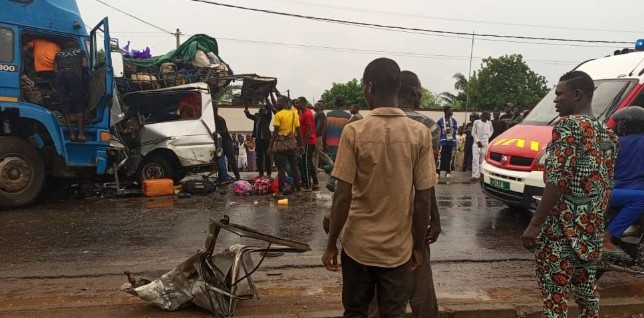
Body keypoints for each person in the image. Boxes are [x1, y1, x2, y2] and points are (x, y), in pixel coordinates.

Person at [322, 58, 434, 317]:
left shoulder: (354, 132)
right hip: (398, 250)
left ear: (369, 88)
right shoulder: (419, 134)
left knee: (355, 311)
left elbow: (342, 196)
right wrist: (417, 246)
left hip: (357, 247)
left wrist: (331, 246)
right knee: (393, 311)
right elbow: (423, 199)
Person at [521, 71, 618, 318]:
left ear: (577, 94)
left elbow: (557, 180)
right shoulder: (608, 134)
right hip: (590, 232)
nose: (555, 100)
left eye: (559, 95)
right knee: (587, 296)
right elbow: (605, 184)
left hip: (560, 231)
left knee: (555, 299)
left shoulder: (568, 126)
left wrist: (534, 224)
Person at [602, 106, 644, 258]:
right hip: (622, 195)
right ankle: (606, 238)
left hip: (610, 193)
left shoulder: (613, 142)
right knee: (641, 200)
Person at [54, 41, 87, 141]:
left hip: (60, 75)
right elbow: (84, 65)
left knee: (64, 102)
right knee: (79, 101)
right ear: (75, 46)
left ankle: (72, 134)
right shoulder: (80, 51)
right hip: (73, 74)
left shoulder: (58, 54)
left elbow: (55, 70)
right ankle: (81, 134)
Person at [270, 95, 303, 197]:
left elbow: (275, 133)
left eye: (279, 101)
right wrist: (301, 144)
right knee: (295, 167)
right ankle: (299, 190)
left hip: (281, 146)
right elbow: (299, 131)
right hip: (292, 144)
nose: (277, 103)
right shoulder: (294, 115)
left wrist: (270, 146)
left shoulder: (278, 115)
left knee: (281, 169)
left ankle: (280, 191)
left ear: (285, 103)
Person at [325, 97, 351, 192]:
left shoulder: (328, 114)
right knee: (339, 164)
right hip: (341, 143)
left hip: (329, 142)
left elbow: (325, 130)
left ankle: (332, 180)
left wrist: (324, 144)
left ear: (335, 104)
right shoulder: (347, 116)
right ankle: (331, 181)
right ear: (344, 105)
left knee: (333, 163)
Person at [245, 102, 275, 177]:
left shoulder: (268, 117)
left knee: (267, 156)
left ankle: (268, 173)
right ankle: (261, 172)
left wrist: (265, 101)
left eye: (263, 110)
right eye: (260, 110)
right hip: (258, 140)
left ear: (265, 111)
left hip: (266, 139)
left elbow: (269, 109)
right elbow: (248, 115)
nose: (261, 111)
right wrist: (246, 108)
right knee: (259, 157)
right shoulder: (256, 117)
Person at [296, 97, 319, 191]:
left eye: (298, 102)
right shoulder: (303, 113)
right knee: (308, 162)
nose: (296, 104)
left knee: (305, 163)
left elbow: (309, 131)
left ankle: (308, 185)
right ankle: (315, 183)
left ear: (303, 103)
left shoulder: (307, 114)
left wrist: (303, 145)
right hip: (307, 142)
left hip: (309, 142)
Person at [214, 107, 241, 180]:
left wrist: (217, 132)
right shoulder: (212, 120)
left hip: (226, 142)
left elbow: (224, 131)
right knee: (219, 159)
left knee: (231, 159)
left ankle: (238, 177)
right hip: (219, 142)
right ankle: (222, 176)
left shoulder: (220, 119)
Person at [470, 111, 493, 181]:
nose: (490, 117)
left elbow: (492, 131)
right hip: (477, 144)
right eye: (489, 115)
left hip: (485, 144)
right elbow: (473, 133)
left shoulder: (489, 123)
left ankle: (481, 175)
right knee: (475, 160)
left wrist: (487, 137)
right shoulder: (476, 122)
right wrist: (478, 141)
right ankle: (474, 175)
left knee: (482, 161)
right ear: (484, 116)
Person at [313, 102, 335, 170]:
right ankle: (315, 168)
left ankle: (333, 165)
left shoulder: (321, 114)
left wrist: (314, 135)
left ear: (319, 106)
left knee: (320, 152)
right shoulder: (317, 114)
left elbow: (319, 125)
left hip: (318, 136)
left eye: (315, 105)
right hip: (317, 135)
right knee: (315, 153)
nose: (314, 106)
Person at [437, 106, 458, 178]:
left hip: (451, 141)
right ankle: (437, 172)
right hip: (442, 141)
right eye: (451, 111)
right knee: (440, 156)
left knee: (450, 157)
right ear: (446, 111)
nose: (452, 112)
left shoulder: (454, 121)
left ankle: (448, 172)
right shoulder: (440, 121)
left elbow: (455, 131)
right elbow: (438, 131)